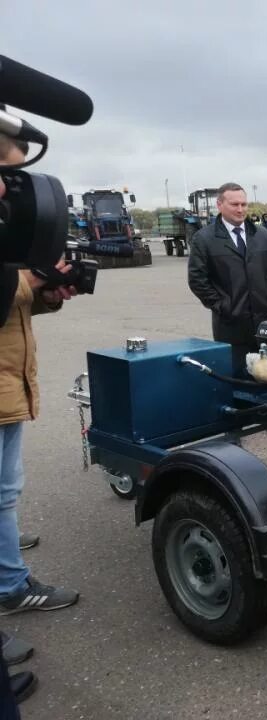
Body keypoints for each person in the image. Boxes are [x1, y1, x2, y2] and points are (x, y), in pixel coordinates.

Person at [1, 132, 82, 709]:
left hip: (9, 378)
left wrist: (50, 291)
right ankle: (11, 584)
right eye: (6, 168)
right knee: (3, 491)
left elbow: (16, 305)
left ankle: (4, 555)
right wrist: (30, 279)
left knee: (6, 491)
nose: (11, 183)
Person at [188, 182, 267, 376]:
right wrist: (223, 306)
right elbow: (197, 280)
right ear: (219, 205)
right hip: (230, 327)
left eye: (244, 204)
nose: (240, 209)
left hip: (265, 324)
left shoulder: (261, 235)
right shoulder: (205, 239)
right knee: (237, 379)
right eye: (234, 205)